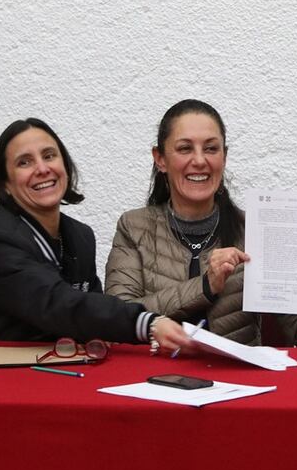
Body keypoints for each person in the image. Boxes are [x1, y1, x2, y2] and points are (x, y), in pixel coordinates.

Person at [0, 118, 194, 353]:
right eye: (24, 162)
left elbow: (87, 315)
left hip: (19, 374)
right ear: (5, 184)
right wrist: (148, 324)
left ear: (65, 166)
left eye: (49, 156)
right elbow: (58, 304)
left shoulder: (80, 237)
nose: (42, 169)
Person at [105, 99, 273, 344]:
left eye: (211, 148)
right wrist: (206, 286)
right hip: (155, 376)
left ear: (224, 157)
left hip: (236, 376)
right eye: (185, 149)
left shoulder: (255, 229)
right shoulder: (134, 226)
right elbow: (119, 315)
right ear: (160, 159)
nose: (199, 160)